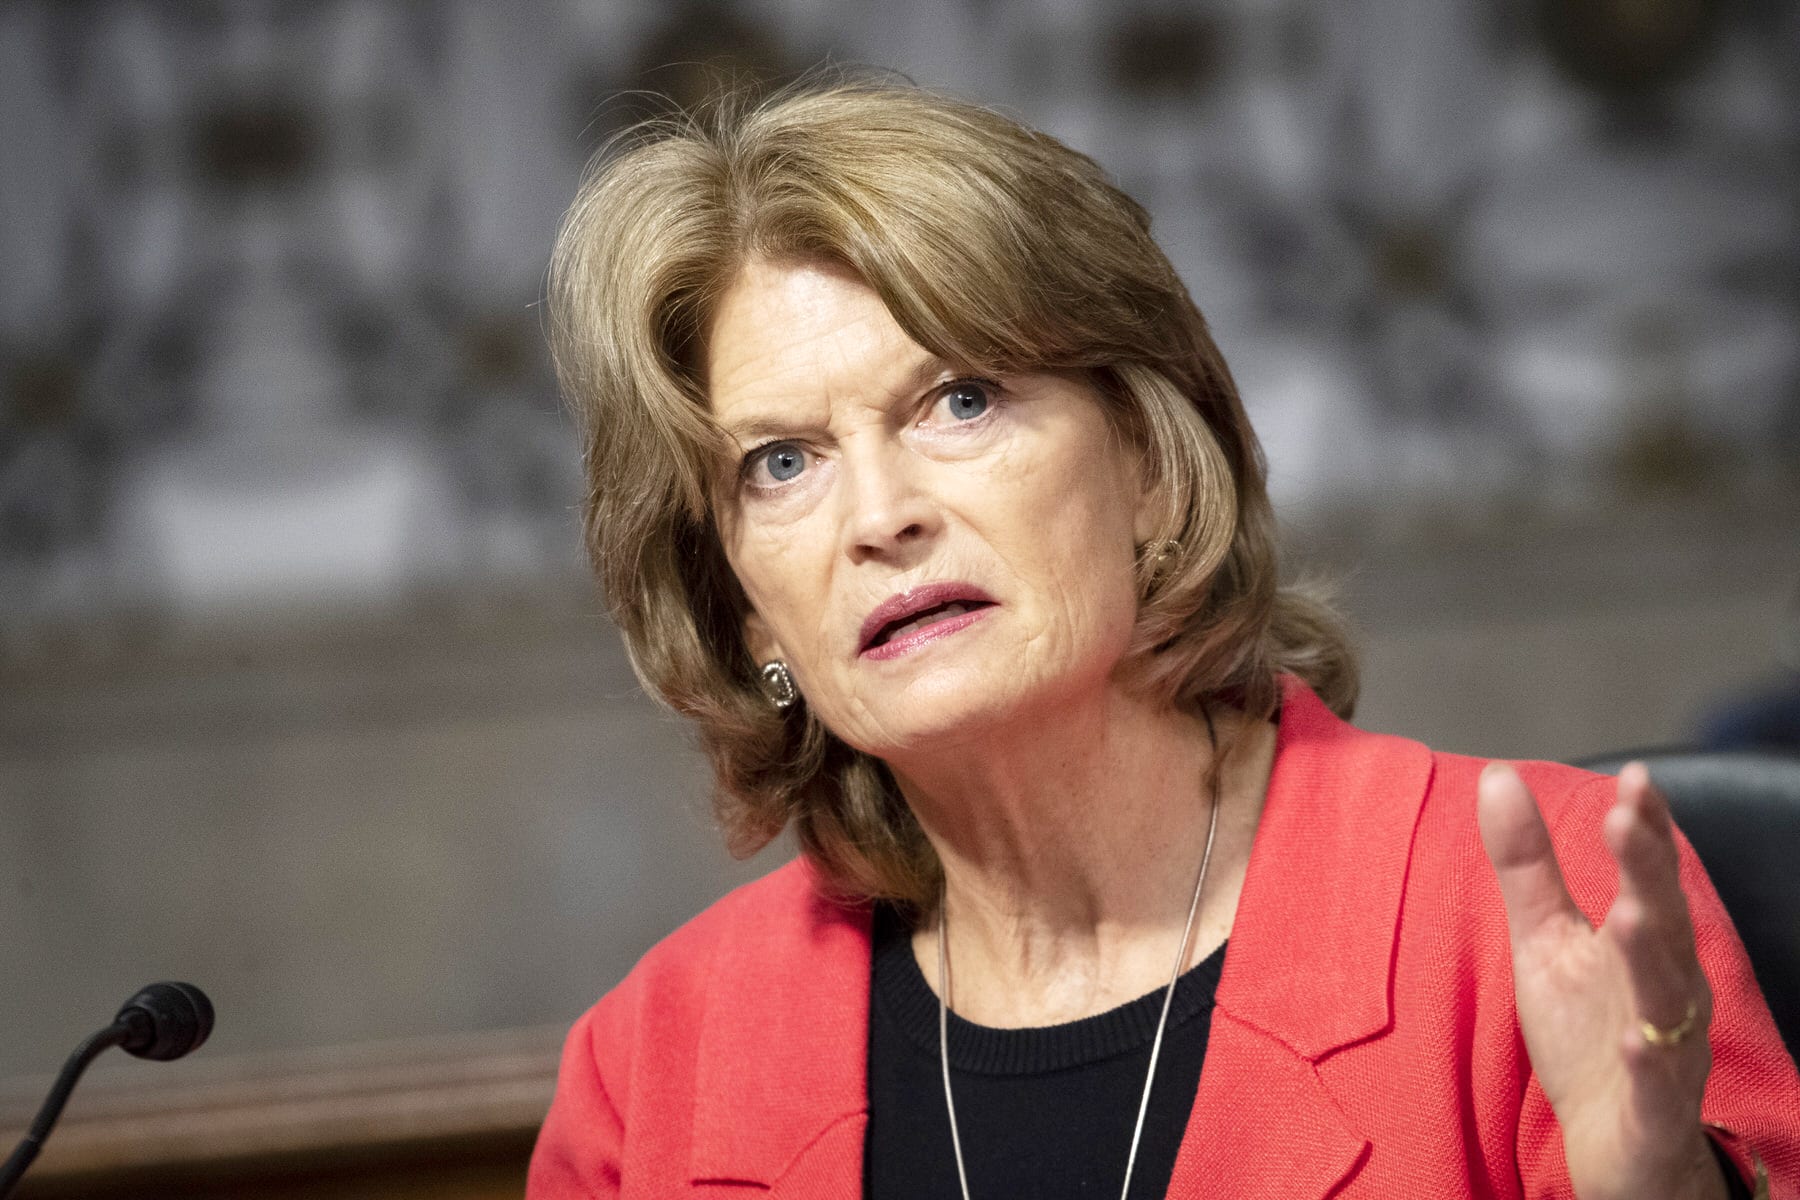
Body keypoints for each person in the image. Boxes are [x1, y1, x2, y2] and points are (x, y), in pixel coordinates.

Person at [527, 79, 1800, 1199]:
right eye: (782, 463)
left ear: (1146, 457)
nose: (880, 518)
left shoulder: (1534, 916)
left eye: (957, 400)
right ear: (746, 604)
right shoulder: (649, 1073)